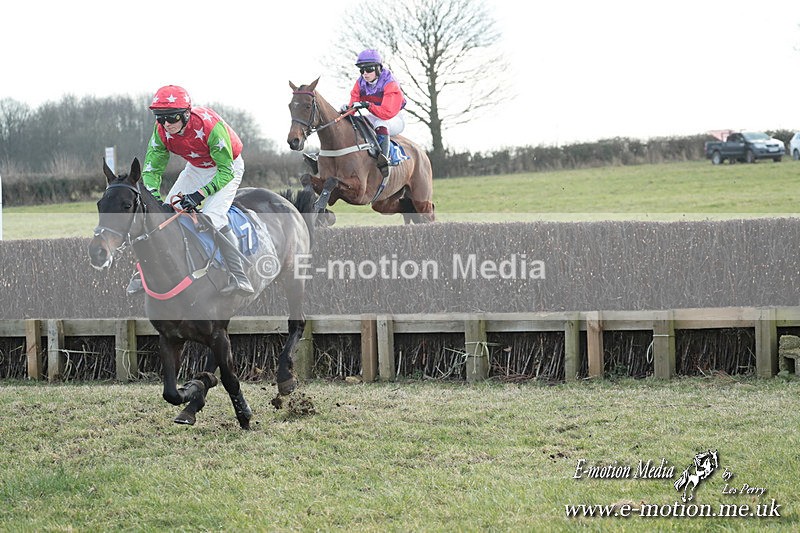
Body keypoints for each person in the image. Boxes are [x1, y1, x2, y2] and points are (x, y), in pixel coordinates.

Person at [126, 84, 254, 296]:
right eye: (160, 118)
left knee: (213, 217)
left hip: (227, 167)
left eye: (172, 118)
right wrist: (156, 199)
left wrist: (199, 195)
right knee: (165, 214)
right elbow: (151, 170)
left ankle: (239, 276)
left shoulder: (210, 126)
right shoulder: (161, 132)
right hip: (196, 168)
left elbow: (225, 172)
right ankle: (144, 272)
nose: (166, 124)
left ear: (186, 114)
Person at [344, 49, 407, 178]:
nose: (365, 74)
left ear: (378, 68)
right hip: (376, 115)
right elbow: (353, 103)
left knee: (380, 122)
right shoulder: (360, 82)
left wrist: (368, 105)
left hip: (394, 118)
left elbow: (386, 113)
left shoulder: (390, 83)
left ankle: (384, 161)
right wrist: (347, 109)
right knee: (356, 122)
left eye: (369, 69)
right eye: (361, 70)